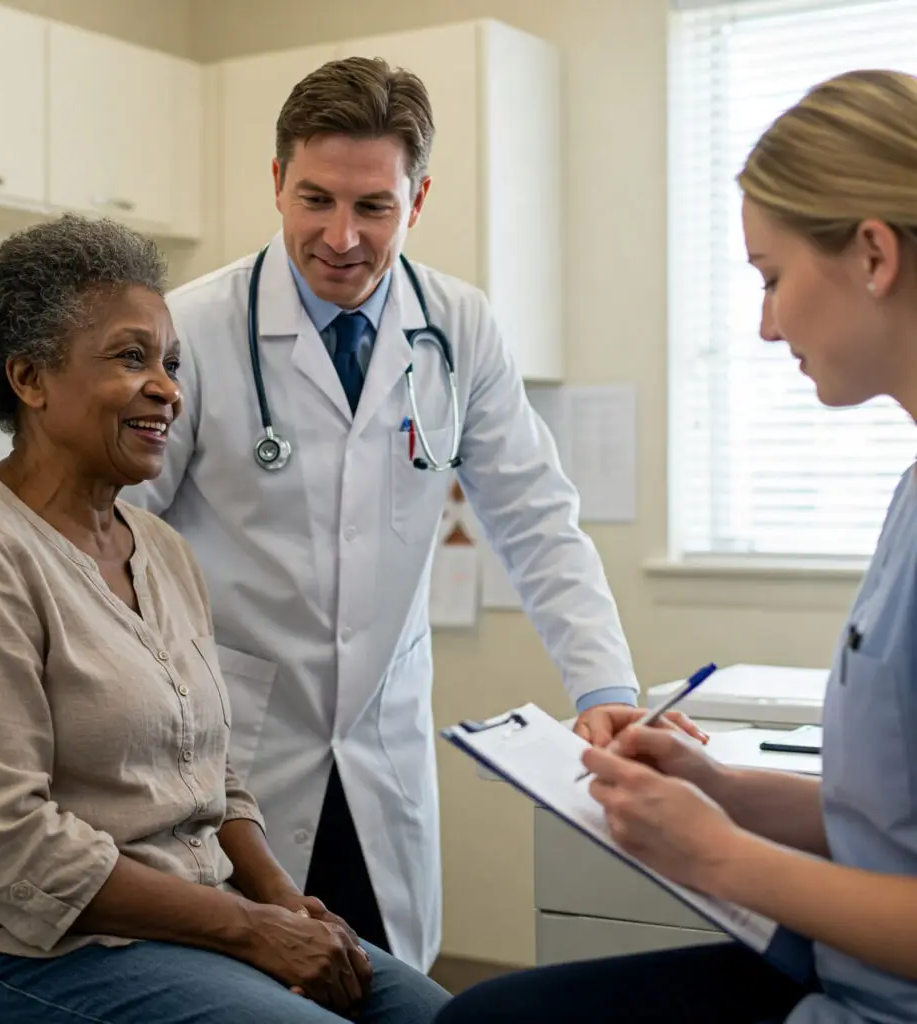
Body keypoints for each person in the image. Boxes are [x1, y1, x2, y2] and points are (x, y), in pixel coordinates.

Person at [126, 55, 705, 972]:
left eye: (374, 207)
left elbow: (535, 517)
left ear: (419, 198)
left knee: (388, 980)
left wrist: (604, 692)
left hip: (382, 741)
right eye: (315, 199)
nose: (342, 237)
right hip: (233, 752)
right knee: (251, 987)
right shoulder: (193, 330)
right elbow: (118, 542)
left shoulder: (458, 325)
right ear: (276, 182)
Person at [432, 68, 917, 1024]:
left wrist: (720, 855)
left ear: (873, 253)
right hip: (841, 969)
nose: (766, 323)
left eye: (773, 278)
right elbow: (891, 831)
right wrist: (721, 788)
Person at [0, 214, 450, 1024]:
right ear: (29, 379)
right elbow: (5, 843)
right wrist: (247, 930)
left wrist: (284, 907)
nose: (168, 388)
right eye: (131, 358)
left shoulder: (159, 548)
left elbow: (212, 779)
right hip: (13, 944)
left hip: (187, 922)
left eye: (172, 363)